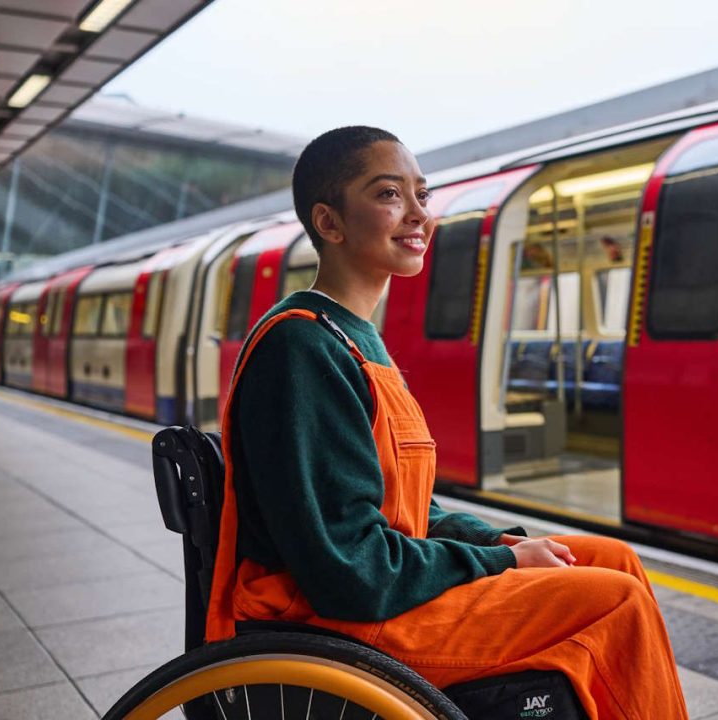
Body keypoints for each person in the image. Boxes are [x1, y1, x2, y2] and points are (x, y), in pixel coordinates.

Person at [205, 126, 688, 719]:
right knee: (612, 602)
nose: (419, 216)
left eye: (422, 195)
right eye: (388, 195)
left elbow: (406, 509)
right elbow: (350, 570)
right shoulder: (302, 348)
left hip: (373, 597)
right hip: (338, 621)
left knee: (613, 560)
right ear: (329, 224)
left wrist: (497, 541)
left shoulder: (347, 338)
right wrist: (502, 563)